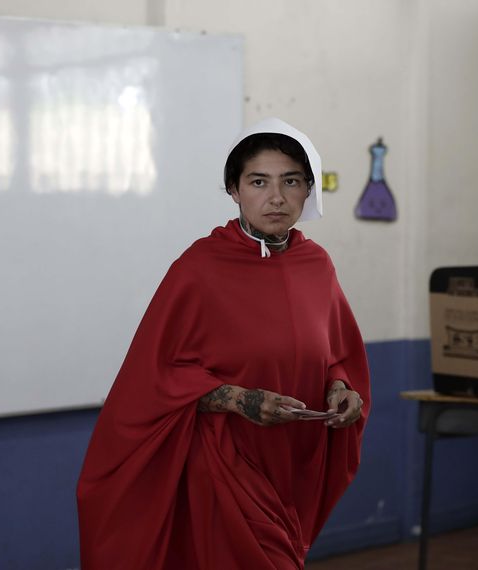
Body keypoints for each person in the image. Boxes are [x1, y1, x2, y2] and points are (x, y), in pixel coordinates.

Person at [77, 117, 370, 569]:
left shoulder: (318, 265)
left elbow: (335, 356)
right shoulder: (198, 269)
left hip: (294, 463)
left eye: (291, 181)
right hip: (224, 463)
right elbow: (155, 377)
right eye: (258, 182)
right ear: (234, 190)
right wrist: (241, 399)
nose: (276, 197)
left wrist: (342, 390)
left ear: (308, 190)